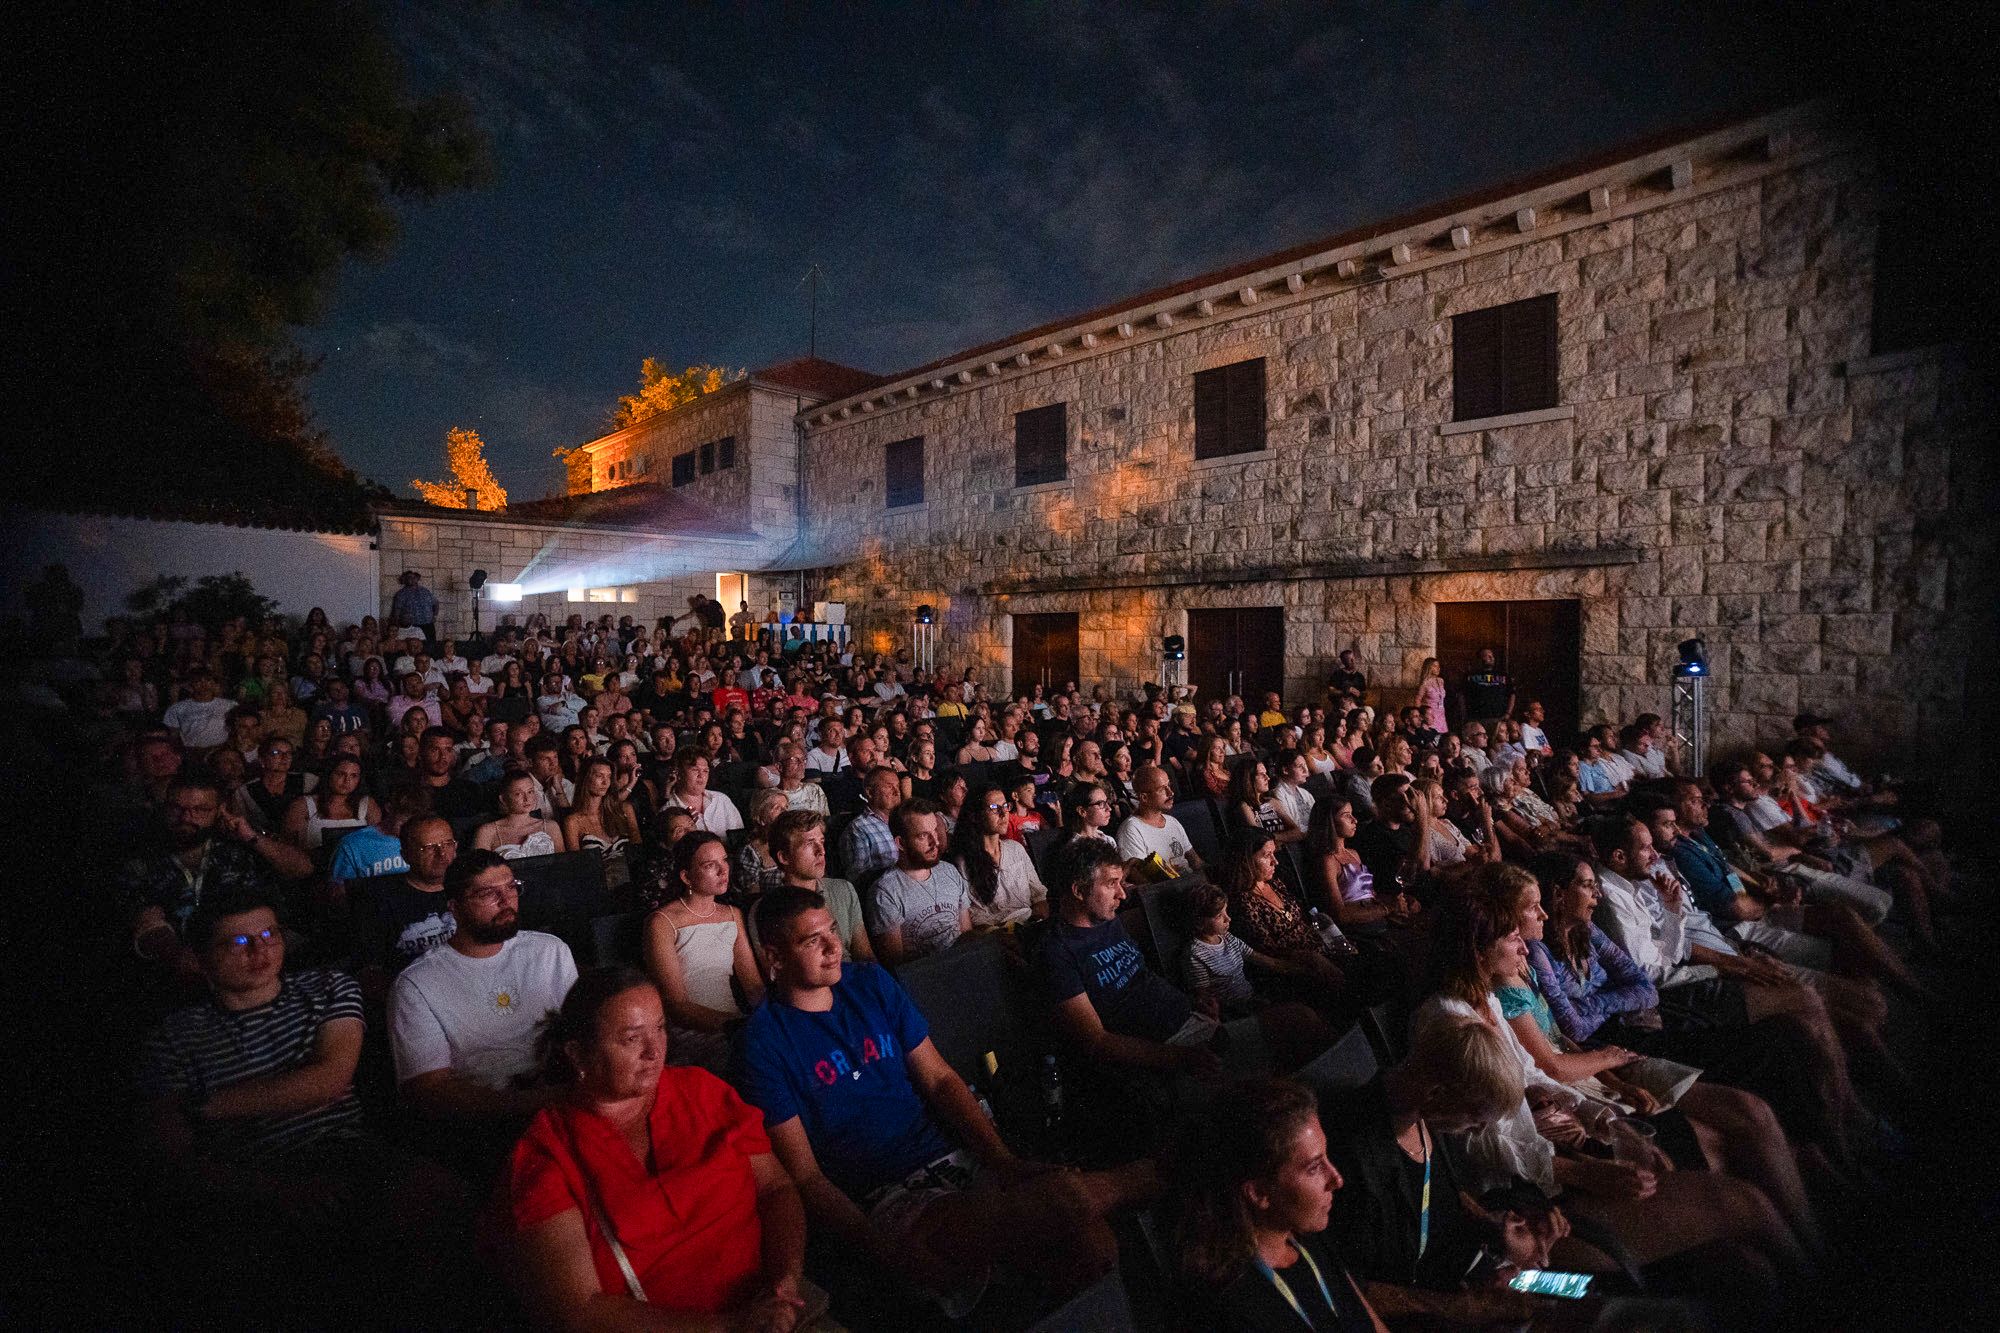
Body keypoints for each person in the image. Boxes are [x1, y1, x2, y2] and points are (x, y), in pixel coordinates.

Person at [736, 886, 1134, 1317]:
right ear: (774, 958)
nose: (835, 947)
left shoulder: (869, 983)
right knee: (1064, 1202)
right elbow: (806, 1176)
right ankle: (1155, 1171)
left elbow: (941, 1080)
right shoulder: (762, 1042)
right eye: (812, 940)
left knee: (1094, 1249)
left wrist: (1004, 1162)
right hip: (888, 1196)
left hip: (950, 1156)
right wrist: (884, 1250)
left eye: (832, 931)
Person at [510, 967, 810, 1327]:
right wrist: (730, 1326)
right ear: (577, 1054)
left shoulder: (702, 1092)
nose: (655, 1051)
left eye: (661, 1028)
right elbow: (581, 1309)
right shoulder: (548, 1155)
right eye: (631, 1038)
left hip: (771, 1313)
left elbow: (776, 1188)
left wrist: (785, 1283)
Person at [388, 850, 579, 1155]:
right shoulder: (417, 983)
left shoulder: (550, 951)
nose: (507, 901)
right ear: (455, 907)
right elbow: (429, 1089)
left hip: (561, 1098)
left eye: (511, 888)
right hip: (484, 1121)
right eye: (488, 894)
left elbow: (579, 1029)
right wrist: (539, 1101)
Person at [1166, 1078, 1390, 1333]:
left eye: (1327, 1158)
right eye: (1315, 1167)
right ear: (1260, 1193)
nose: (1337, 1179)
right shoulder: (1225, 1308)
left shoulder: (1310, 1241)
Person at [119, 773, 311, 980]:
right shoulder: (143, 858)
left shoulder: (237, 847)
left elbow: (302, 869)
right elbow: (147, 921)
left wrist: (252, 837)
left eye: (200, 810)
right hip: (185, 965)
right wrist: (183, 958)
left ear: (219, 811)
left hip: (256, 948)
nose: (186, 818)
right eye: (177, 808)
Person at [642, 832, 762, 1073]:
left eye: (724, 860)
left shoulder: (732, 914)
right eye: (710, 865)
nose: (723, 870)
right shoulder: (662, 922)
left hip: (735, 1023)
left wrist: (771, 1021)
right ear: (686, 876)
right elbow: (677, 1005)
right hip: (691, 1031)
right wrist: (738, 1026)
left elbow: (752, 986)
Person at [868, 799, 971, 965]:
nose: (935, 842)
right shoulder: (885, 891)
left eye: (935, 832)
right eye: (923, 836)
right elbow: (897, 963)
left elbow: (966, 932)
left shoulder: (950, 871)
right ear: (901, 843)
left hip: (964, 963)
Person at [763, 809, 874, 962]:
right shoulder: (768, 909)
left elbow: (865, 955)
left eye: (821, 842)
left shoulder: (844, 889)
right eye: (809, 843)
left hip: (853, 978)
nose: (821, 851)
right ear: (784, 857)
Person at [947, 782, 1048, 929]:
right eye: (994, 808)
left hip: (1030, 923)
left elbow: (1039, 894)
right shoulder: (964, 862)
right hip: (996, 935)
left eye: (1005, 806)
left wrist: (1037, 919)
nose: (1003, 813)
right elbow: (975, 916)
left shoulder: (1015, 849)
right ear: (975, 816)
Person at [1115, 764, 1202, 875]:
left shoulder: (1172, 821)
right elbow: (1142, 879)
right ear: (1144, 797)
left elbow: (1196, 861)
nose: (1171, 793)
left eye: (1169, 786)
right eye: (1162, 789)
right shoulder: (1131, 830)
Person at [472, 771, 564, 861]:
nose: (526, 799)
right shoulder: (487, 832)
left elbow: (563, 867)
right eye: (518, 794)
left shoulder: (551, 827)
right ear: (503, 799)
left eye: (530, 792)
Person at [836, 765, 901, 886]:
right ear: (870, 792)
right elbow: (858, 878)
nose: (897, 792)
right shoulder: (858, 828)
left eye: (898, 786)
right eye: (889, 786)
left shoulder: (904, 821)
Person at [662, 749, 744, 838]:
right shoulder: (667, 811)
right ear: (678, 773)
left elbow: (739, 838)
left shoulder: (721, 800)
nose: (701, 775)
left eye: (705, 771)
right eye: (695, 770)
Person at [162, 670, 235, 753]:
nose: (204, 684)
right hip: (192, 752)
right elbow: (173, 736)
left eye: (208, 680)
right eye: (198, 681)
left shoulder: (230, 705)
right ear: (190, 685)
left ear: (214, 683)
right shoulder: (177, 708)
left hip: (222, 751)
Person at [1460, 647, 1513, 727]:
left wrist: (1508, 713)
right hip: (1477, 719)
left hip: (1499, 718)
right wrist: (1464, 715)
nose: (1491, 658)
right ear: (1480, 658)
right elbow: (1462, 695)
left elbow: (1512, 694)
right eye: (1487, 656)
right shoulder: (1470, 676)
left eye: (1492, 656)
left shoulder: (1503, 675)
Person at [390, 570, 438, 647]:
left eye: (413, 577)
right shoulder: (401, 594)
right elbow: (396, 611)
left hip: (428, 624)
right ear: (405, 580)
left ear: (417, 578)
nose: (412, 579)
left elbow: (435, 603)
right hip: (413, 626)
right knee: (415, 647)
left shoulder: (425, 591)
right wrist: (396, 626)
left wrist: (435, 615)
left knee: (431, 646)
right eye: (409, 577)